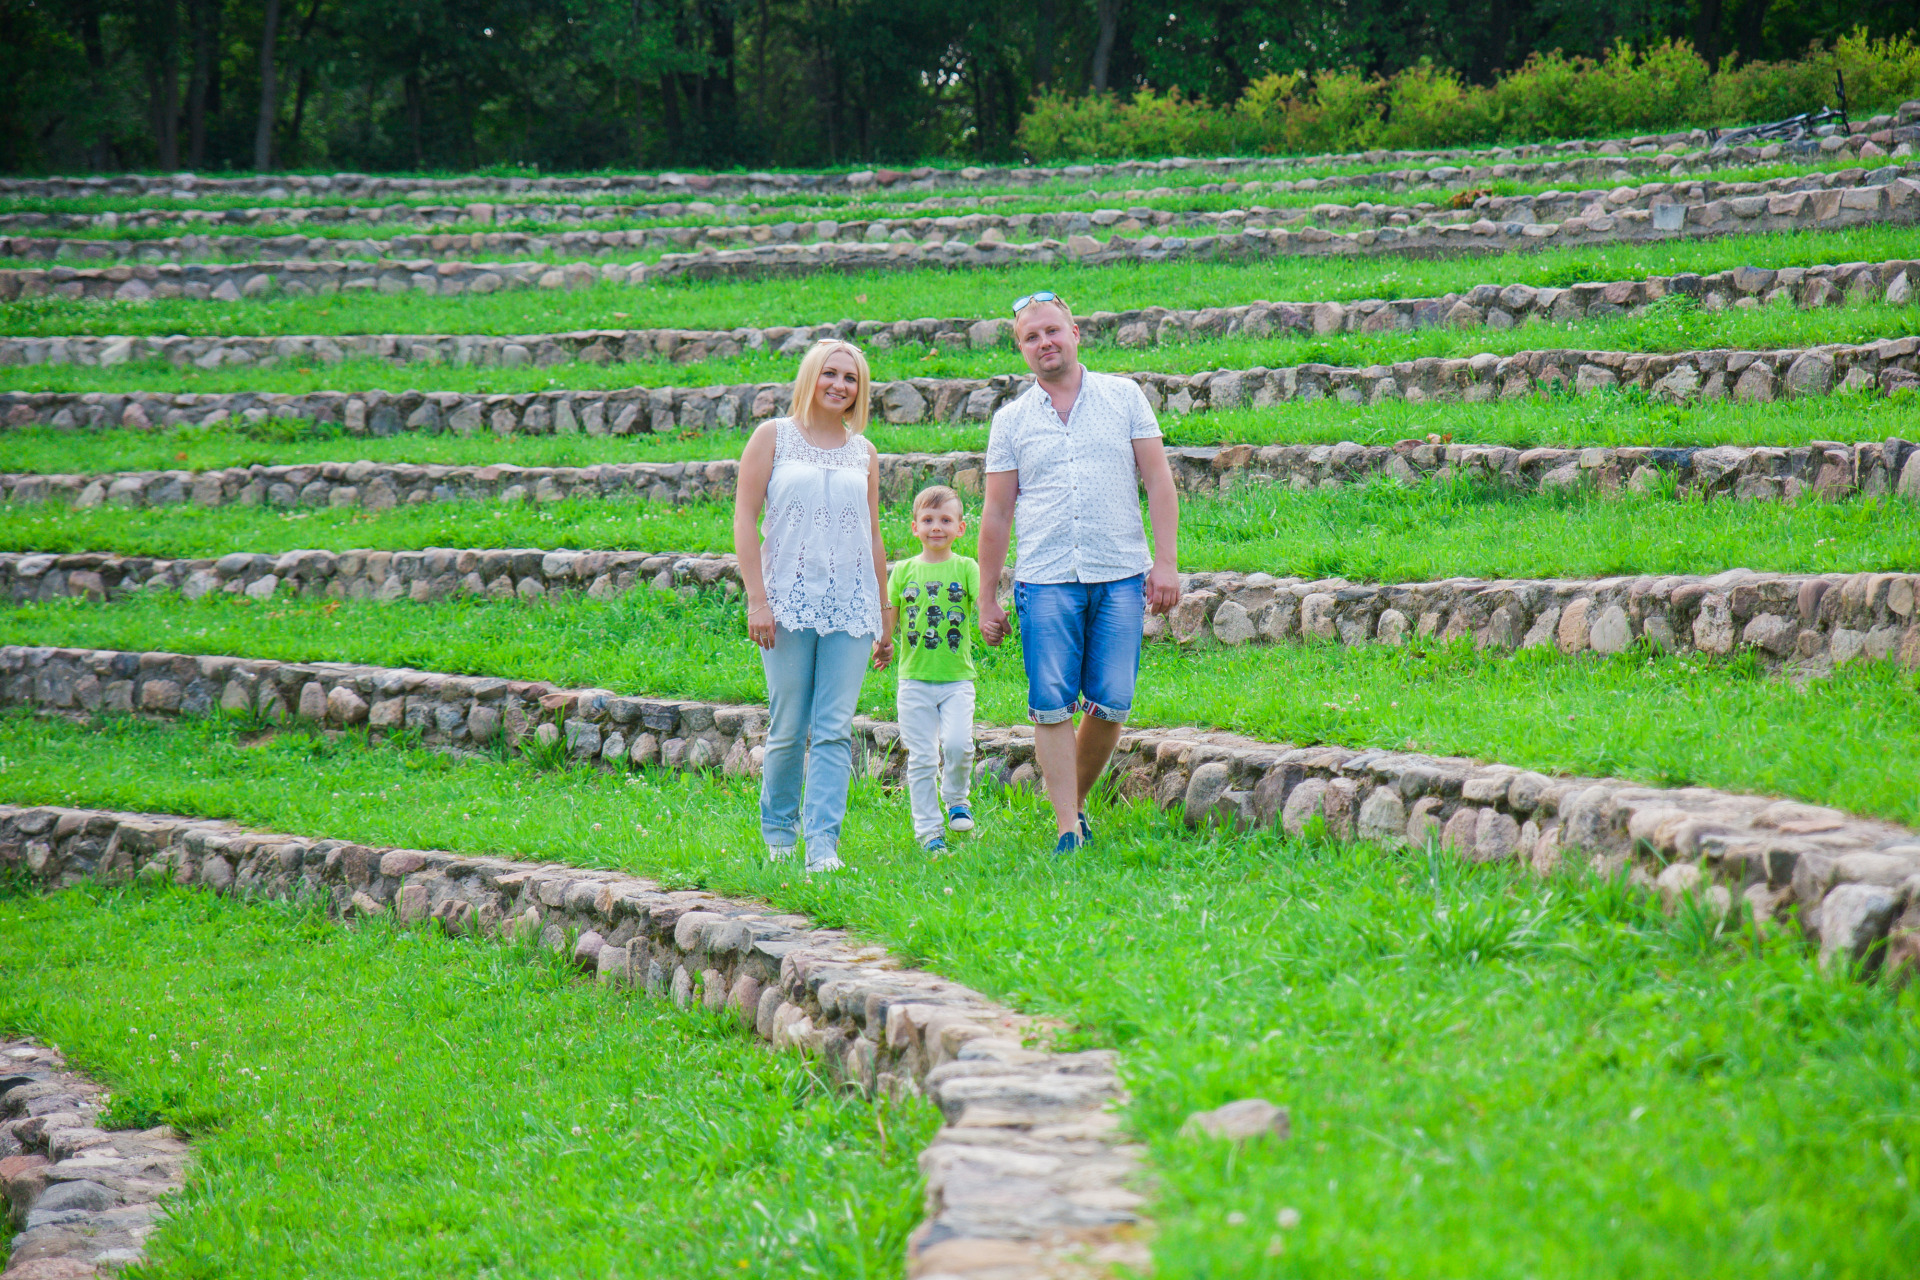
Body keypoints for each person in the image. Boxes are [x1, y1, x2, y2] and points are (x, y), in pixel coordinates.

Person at [976, 291, 1181, 855]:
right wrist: (986, 595)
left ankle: (1076, 803)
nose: (1045, 343)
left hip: (1119, 571)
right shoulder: (1011, 420)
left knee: (1112, 701)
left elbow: (1159, 482)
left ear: (1075, 333)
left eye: (1052, 331)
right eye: (1031, 337)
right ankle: (1068, 827)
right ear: (1021, 350)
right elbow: (996, 512)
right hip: (1044, 576)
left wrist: (1166, 561)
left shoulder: (1124, 397)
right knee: (1050, 702)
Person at [733, 339, 892, 874]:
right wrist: (758, 599)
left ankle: (823, 845)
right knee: (789, 723)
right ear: (811, 376)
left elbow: (872, 534)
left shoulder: (863, 451)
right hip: (786, 601)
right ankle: (779, 833)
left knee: (834, 727)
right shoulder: (772, 437)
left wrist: (883, 611)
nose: (839, 385)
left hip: (851, 604)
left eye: (850, 378)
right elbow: (744, 518)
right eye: (830, 373)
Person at [877, 485, 980, 854]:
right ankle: (929, 833)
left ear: (960, 528)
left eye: (946, 520)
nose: (937, 527)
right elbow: (889, 610)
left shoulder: (966, 568)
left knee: (957, 744)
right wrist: (884, 642)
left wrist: (993, 623)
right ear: (915, 527)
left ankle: (956, 798)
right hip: (914, 680)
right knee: (921, 758)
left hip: (956, 680)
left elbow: (983, 603)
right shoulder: (903, 570)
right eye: (928, 520)